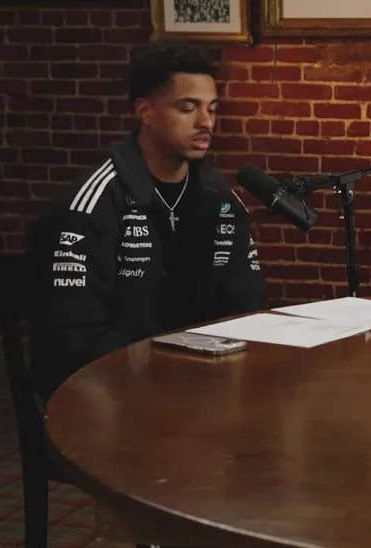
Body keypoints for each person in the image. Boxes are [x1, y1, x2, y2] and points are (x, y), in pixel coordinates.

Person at [28, 44, 267, 401]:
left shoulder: (221, 201)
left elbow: (246, 307)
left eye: (212, 108)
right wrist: (170, 372)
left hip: (199, 389)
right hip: (108, 394)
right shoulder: (91, 205)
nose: (206, 122)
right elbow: (73, 338)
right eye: (187, 108)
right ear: (145, 112)